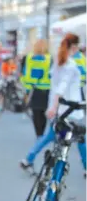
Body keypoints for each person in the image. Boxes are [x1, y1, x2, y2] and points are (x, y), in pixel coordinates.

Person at [20, 33, 86, 176]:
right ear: (74, 47)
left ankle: (28, 158)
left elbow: (53, 84)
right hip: (72, 109)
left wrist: (52, 107)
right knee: (81, 140)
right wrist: (54, 105)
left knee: (50, 136)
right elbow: (61, 88)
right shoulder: (71, 64)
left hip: (59, 110)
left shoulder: (57, 62)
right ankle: (86, 167)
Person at [21, 39, 51, 138]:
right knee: (43, 112)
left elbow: (25, 72)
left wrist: (27, 89)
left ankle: (39, 134)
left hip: (34, 89)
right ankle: (42, 132)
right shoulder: (49, 58)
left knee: (36, 113)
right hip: (46, 89)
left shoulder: (29, 57)